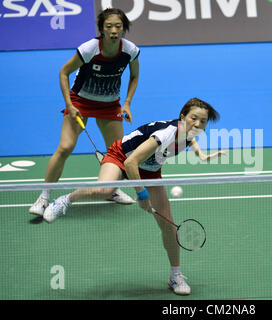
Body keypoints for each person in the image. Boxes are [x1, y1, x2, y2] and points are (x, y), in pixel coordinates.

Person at [43, 98, 226, 295]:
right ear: (182, 117)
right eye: (194, 118)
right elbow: (131, 163)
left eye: (203, 121)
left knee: (169, 225)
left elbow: (191, 140)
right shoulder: (164, 135)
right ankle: (65, 200)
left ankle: (175, 275)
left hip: (150, 168)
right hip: (123, 157)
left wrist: (202, 156)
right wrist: (142, 195)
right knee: (104, 190)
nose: (198, 124)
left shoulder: (189, 133)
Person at [29, 8, 140, 216]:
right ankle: (44, 198)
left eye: (118, 26)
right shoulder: (90, 49)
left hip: (110, 104)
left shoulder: (130, 51)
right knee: (65, 147)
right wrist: (69, 105)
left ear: (124, 28)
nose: (114, 31)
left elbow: (134, 76)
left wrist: (126, 103)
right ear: (102, 29)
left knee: (117, 153)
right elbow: (64, 72)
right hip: (81, 102)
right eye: (109, 27)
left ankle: (112, 190)